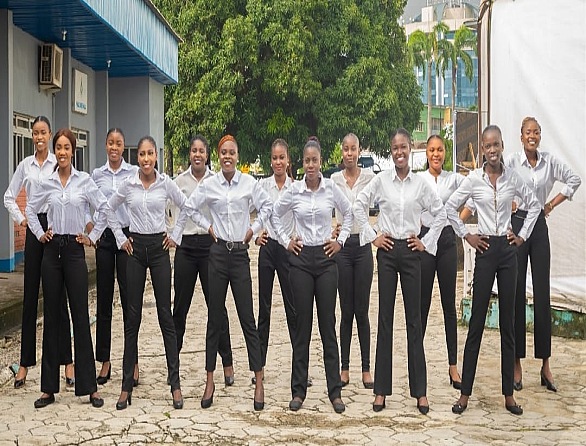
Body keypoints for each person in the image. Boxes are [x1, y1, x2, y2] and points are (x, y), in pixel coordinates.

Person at [172, 135, 276, 411]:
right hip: (217, 253)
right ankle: (210, 380)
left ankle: (259, 379)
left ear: (237, 156)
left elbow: (267, 207)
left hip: (239, 254)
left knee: (247, 318)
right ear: (217, 157)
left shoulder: (248, 183)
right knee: (214, 319)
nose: (227, 156)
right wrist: (207, 226)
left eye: (232, 152)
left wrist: (254, 229)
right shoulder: (210, 185)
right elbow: (189, 207)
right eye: (223, 153)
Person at [446, 125, 540, 416]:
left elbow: (534, 204)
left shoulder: (513, 177)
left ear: (502, 145)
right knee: (476, 322)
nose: (492, 150)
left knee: (508, 324)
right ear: (482, 149)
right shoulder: (474, 180)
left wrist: (521, 235)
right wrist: (467, 235)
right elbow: (450, 207)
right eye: (487, 146)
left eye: (496, 144)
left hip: (508, 252)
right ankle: (465, 394)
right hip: (485, 250)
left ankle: (508, 395)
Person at [354, 128, 445, 415]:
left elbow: (440, 213)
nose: (400, 152)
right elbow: (358, 205)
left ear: (410, 149)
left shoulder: (420, 184)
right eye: (395, 148)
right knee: (385, 319)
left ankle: (420, 392)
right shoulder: (381, 181)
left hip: (411, 252)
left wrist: (426, 242)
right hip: (388, 251)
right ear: (391, 151)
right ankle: (381, 390)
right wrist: (373, 236)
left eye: (404, 147)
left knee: (414, 321)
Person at [25, 128, 110, 408]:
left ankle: (90, 387)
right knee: (52, 317)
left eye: (66, 148)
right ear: (55, 151)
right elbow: (30, 210)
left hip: (74, 251)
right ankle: (48, 389)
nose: (62, 152)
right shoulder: (47, 183)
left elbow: (104, 209)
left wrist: (92, 236)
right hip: (51, 252)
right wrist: (40, 234)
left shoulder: (84, 181)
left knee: (80, 316)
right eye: (58, 147)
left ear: (73, 151)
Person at [274, 136, 352, 414]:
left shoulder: (331, 188)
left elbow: (349, 213)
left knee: (328, 326)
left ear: (321, 162)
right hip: (301, 261)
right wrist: (286, 241)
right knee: (302, 328)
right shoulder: (294, 191)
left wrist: (340, 240)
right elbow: (274, 214)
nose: (310, 165)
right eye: (306, 161)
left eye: (314, 160)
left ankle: (335, 392)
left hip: (327, 259)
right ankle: (298, 391)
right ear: (302, 162)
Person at [109, 136, 185, 410]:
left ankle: (175, 384)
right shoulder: (129, 185)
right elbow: (108, 208)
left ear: (156, 156)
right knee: (132, 317)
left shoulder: (165, 183)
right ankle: (126, 386)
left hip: (159, 248)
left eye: (150, 153)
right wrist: (120, 238)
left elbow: (185, 206)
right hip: (136, 250)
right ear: (137, 158)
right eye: (141, 154)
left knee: (165, 315)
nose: (145, 159)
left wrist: (175, 234)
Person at [508, 117, 581, 392]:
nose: (532, 136)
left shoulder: (549, 162)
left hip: (538, 225)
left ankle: (545, 364)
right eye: (528, 132)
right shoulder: (512, 162)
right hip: (517, 224)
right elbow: (495, 181)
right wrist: (508, 201)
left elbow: (574, 179)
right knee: (516, 292)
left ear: (540, 136)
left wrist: (550, 204)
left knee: (542, 293)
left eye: (536, 132)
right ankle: (516, 363)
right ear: (521, 136)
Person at [3, 116, 74, 389]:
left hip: (56, 230)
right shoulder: (26, 166)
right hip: (34, 229)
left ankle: (67, 362)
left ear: (50, 134)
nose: (39, 137)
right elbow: (9, 196)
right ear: (32, 136)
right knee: (30, 297)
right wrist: (21, 219)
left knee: (59, 298)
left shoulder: (59, 162)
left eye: (43, 132)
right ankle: (24, 364)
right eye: (35, 133)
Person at [168, 135, 235, 386]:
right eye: (194, 150)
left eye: (202, 151)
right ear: (190, 154)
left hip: (210, 248)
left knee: (217, 307)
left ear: (207, 156)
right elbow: (166, 207)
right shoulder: (179, 182)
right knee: (179, 309)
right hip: (185, 248)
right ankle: (173, 366)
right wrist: (170, 232)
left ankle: (227, 363)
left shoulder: (215, 181)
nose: (197, 154)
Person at [91, 128, 139, 386]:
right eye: (110, 142)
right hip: (105, 239)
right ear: (105, 145)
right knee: (104, 302)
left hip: (127, 239)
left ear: (123, 147)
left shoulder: (132, 173)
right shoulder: (96, 175)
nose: (114, 147)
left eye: (118, 143)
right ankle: (105, 361)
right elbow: (88, 204)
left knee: (130, 302)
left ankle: (133, 361)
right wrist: (90, 227)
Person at [418, 134, 464, 389]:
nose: (436, 154)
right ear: (426, 153)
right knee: (422, 304)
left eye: (440, 150)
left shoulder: (453, 179)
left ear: (445, 152)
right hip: (425, 241)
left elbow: (471, 198)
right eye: (432, 150)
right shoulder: (419, 180)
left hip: (446, 240)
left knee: (448, 305)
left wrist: (457, 221)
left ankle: (453, 366)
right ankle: (417, 363)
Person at [330, 133, 376, 389]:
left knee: (362, 311)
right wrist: (330, 231)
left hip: (363, 247)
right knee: (346, 310)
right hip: (343, 250)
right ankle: (344, 367)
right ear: (342, 151)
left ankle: (366, 368)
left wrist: (378, 231)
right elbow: (321, 207)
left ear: (359, 151)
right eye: (345, 149)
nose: (349, 153)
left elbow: (385, 204)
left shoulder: (369, 178)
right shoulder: (334, 180)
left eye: (353, 149)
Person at [254, 138, 297, 384]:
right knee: (264, 309)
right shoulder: (262, 186)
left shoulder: (296, 188)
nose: (278, 162)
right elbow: (248, 210)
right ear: (270, 161)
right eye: (274, 158)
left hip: (288, 250)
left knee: (294, 309)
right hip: (268, 249)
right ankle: (259, 367)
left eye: (282, 157)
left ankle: (299, 367)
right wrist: (255, 235)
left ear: (288, 160)